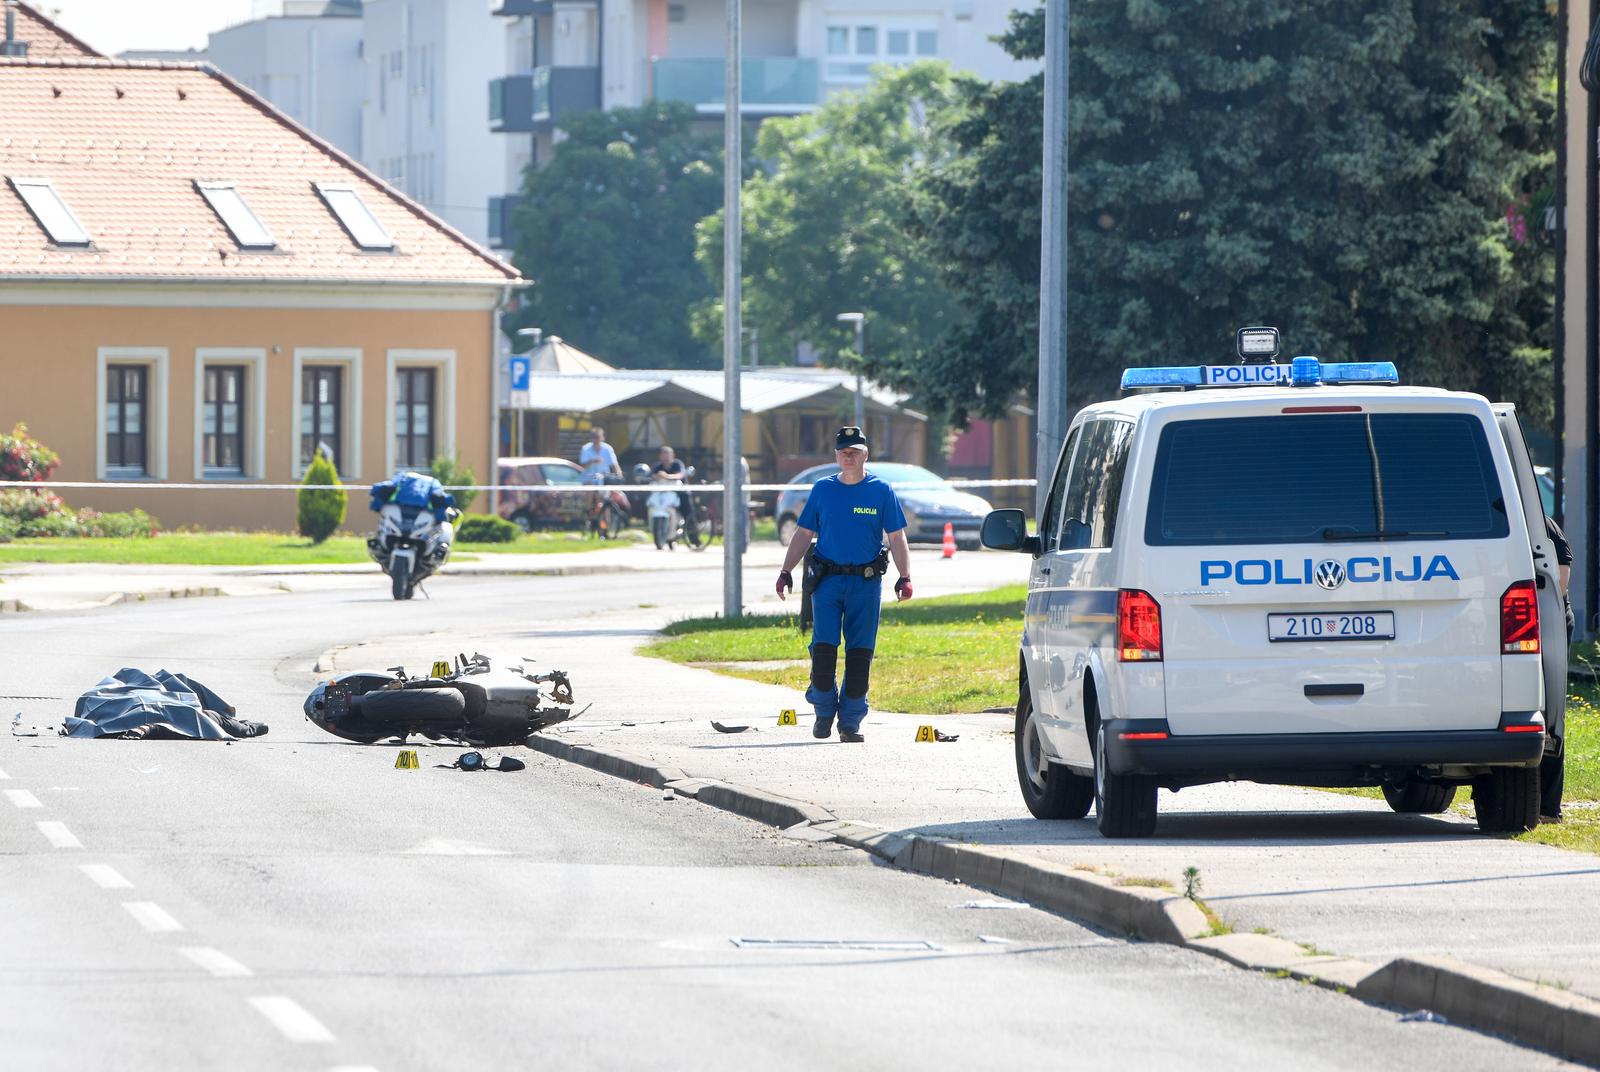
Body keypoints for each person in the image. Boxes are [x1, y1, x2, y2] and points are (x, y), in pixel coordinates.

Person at [774, 426, 912, 743]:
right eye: (843, 451)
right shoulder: (823, 490)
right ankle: (823, 713)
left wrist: (905, 578)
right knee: (823, 650)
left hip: (866, 584)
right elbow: (803, 534)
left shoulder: (881, 490)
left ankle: (850, 721)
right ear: (836, 456)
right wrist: (785, 571)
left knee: (860, 654)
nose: (849, 456)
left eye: (855, 451)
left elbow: (897, 537)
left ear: (865, 454)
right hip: (828, 583)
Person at [1542, 514, 1574, 821]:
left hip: (1551, 620)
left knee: (1551, 712)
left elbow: (1561, 580)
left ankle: (1548, 807)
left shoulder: (1544, 525)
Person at [651, 444, 698, 526]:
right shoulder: (657, 466)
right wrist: (658, 476)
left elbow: (679, 475)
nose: (666, 457)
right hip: (663, 493)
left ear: (673, 455)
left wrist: (665, 476)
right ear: (660, 456)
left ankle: (691, 530)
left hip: (679, 493)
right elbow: (654, 476)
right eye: (663, 455)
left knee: (687, 510)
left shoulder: (677, 464)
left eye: (668, 455)